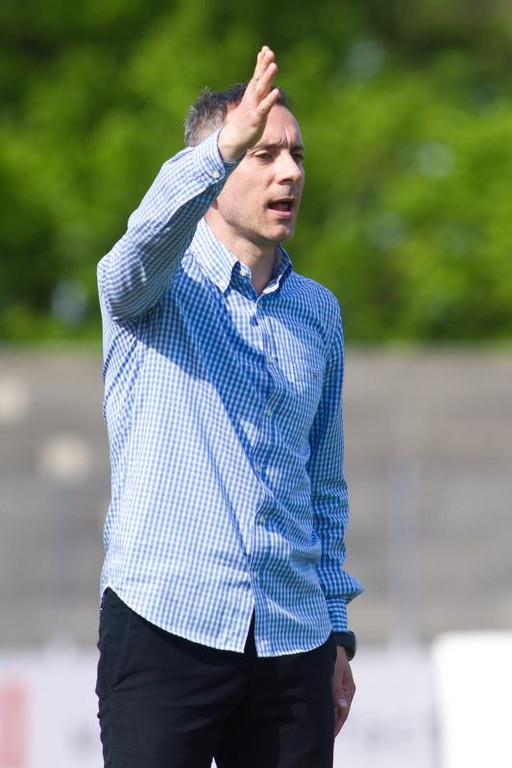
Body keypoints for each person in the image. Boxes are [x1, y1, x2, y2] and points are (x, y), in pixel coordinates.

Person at [95, 46, 363, 768]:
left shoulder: (318, 312)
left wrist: (336, 632)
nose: (290, 173)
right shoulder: (154, 289)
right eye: (263, 154)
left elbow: (323, 486)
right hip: (165, 623)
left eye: (297, 155)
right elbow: (133, 254)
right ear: (215, 176)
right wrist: (217, 150)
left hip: (293, 638)